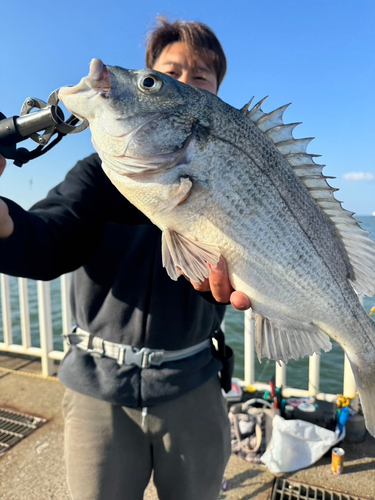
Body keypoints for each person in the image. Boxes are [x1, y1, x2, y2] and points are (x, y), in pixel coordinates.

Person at [0, 17, 250, 500]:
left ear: (216, 94)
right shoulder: (97, 172)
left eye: (199, 77)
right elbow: (50, 238)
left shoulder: (233, 168)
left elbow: (270, 258)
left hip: (194, 382)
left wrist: (265, 288)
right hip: (97, 389)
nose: (183, 82)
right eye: (165, 74)